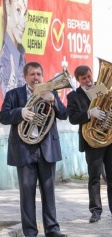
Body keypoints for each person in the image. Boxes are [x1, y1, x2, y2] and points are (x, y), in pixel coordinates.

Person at [0, 62, 67, 237]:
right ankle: (30, 232)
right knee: (27, 194)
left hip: (47, 149)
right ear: (25, 77)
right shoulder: (13, 94)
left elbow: (64, 114)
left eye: (38, 74)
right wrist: (20, 112)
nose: (36, 77)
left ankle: (52, 229)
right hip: (24, 150)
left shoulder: (51, 93)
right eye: (32, 74)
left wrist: (53, 100)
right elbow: (3, 116)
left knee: (49, 193)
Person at [66, 65, 112, 223]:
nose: (88, 80)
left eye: (89, 76)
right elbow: (73, 118)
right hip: (91, 140)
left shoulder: (103, 89)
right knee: (94, 177)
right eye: (83, 78)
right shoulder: (73, 96)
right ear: (78, 80)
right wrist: (89, 113)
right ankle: (95, 211)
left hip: (110, 137)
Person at [0, 0, 28, 100]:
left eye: (25, 14)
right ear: (7, 6)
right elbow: (8, 104)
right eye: (18, 11)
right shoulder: (5, 57)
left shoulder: (20, 54)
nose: (23, 23)